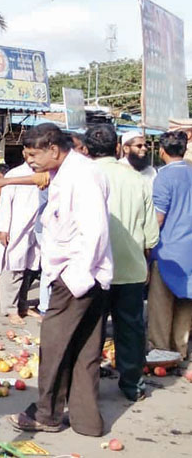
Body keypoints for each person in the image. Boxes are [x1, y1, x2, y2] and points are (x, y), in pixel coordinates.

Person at [9, 123, 112, 437]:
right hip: (80, 273)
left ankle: (47, 414)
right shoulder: (64, 174)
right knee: (83, 350)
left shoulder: (81, 175)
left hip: (77, 275)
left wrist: (77, 277)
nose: (31, 162)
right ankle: (86, 421)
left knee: (54, 347)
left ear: (53, 149)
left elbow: (95, 231)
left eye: (33, 155)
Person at [86, 124, 159, 401]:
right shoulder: (137, 180)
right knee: (129, 328)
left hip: (92, 270)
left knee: (91, 330)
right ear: (118, 148)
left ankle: (86, 383)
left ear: (86, 148)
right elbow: (151, 234)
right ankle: (132, 384)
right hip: (130, 268)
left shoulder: (84, 176)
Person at [148, 131, 192, 359]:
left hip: (168, 250)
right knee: (186, 302)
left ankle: (160, 352)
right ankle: (181, 349)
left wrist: (145, 243)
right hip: (190, 251)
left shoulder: (163, 177)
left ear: (161, 151)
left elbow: (158, 218)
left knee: (160, 306)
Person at [0, 155, 41, 326]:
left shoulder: (44, 173)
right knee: (13, 268)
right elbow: (5, 203)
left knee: (29, 269)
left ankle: (22, 305)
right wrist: (3, 228)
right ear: (24, 153)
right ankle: (10, 308)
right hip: (16, 228)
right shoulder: (14, 175)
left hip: (35, 229)